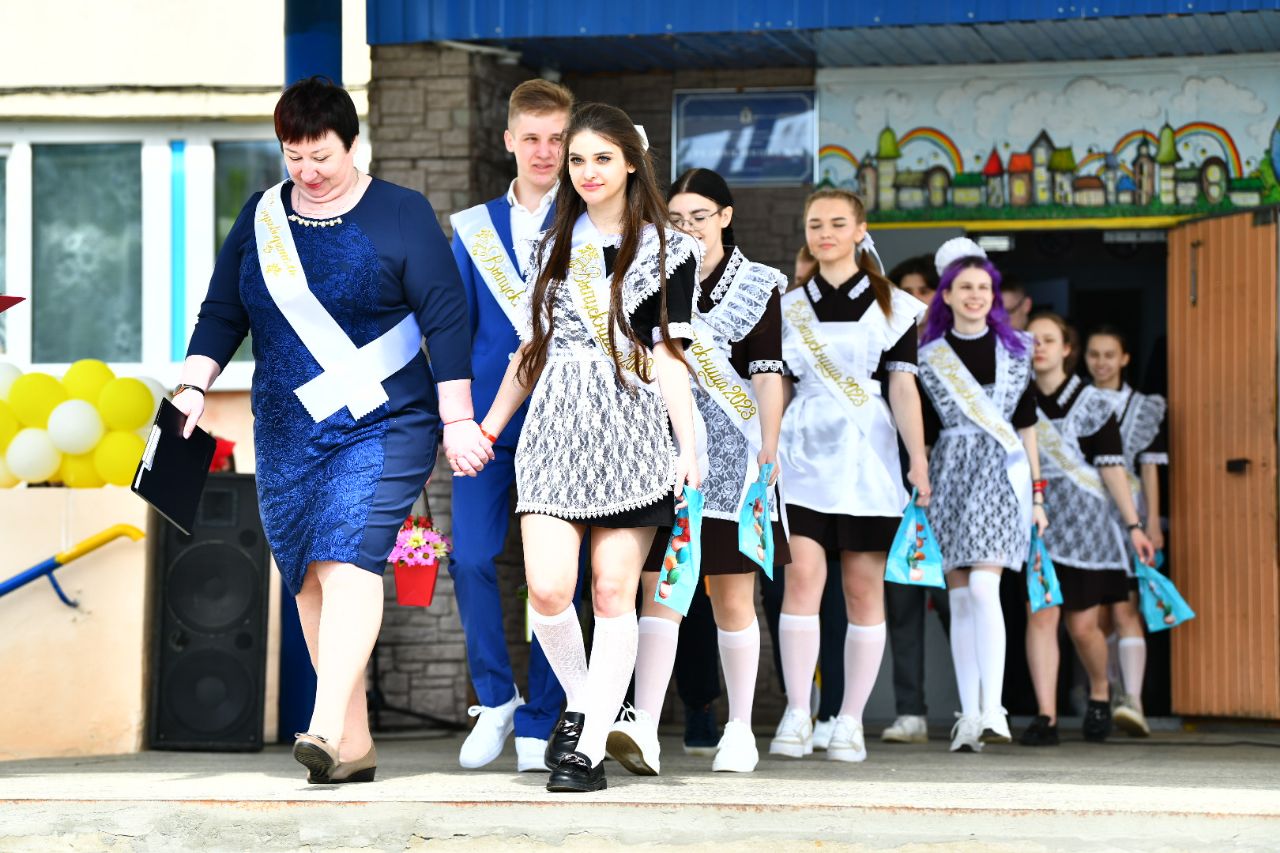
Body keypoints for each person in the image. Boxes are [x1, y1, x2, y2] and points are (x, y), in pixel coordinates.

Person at [177, 77, 490, 784]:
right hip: (287, 428)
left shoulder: (400, 211)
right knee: (310, 579)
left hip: (384, 422)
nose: (307, 172)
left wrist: (458, 417)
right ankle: (353, 744)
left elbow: (446, 317)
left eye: (321, 156)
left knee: (348, 559)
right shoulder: (262, 217)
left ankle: (319, 723)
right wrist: (194, 384)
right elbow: (223, 310)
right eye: (293, 156)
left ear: (353, 144)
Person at [479, 104, 700, 793]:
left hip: (632, 430)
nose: (587, 171)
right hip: (554, 428)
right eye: (577, 160)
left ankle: (587, 748)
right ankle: (588, 704)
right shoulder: (549, 245)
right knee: (548, 588)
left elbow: (670, 356)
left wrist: (688, 446)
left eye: (602, 158)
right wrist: (489, 428)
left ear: (631, 163)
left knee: (610, 589)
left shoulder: (669, 250)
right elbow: (530, 351)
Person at [607, 168, 789, 775]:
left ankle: (740, 728)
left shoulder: (758, 285)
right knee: (660, 588)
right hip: (663, 452)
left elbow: (767, 372)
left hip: (734, 456)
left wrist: (769, 443)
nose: (687, 228)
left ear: (725, 217)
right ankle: (645, 726)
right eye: (676, 219)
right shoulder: (651, 274)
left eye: (699, 217)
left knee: (733, 595)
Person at [771, 188, 930, 763]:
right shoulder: (786, 306)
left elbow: (903, 387)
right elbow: (777, 384)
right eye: (816, 224)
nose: (826, 233)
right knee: (801, 583)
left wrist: (918, 459)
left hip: (867, 458)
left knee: (863, 591)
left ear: (861, 230)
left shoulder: (895, 306)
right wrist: (766, 448)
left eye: (838, 223)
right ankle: (798, 711)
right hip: (802, 455)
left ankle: (850, 720)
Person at [447, 78, 575, 773]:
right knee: (470, 555)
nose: (545, 151)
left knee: (551, 577)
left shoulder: (589, 221)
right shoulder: (473, 229)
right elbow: (454, 330)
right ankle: (496, 697)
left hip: (566, 421)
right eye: (532, 138)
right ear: (509, 141)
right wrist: (457, 419)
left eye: (557, 139)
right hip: (487, 426)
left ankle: (543, 717)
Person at [917, 238, 1049, 752]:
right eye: (965, 287)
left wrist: (1037, 496)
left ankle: (993, 708)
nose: (975, 295)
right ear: (947, 295)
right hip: (948, 474)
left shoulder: (1017, 351)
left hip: (1002, 473)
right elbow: (923, 430)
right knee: (959, 599)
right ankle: (969, 715)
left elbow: (1027, 426)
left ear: (994, 297)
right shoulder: (927, 357)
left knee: (983, 588)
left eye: (984, 288)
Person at [1024, 313, 1155, 745]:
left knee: (1082, 626)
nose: (1039, 347)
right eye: (1031, 340)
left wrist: (1134, 526)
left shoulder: (1093, 402)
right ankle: (1046, 716)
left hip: (1087, 529)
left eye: (1049, 340)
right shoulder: (1016, 397)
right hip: (1038, 524)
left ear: (1066, 349)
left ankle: (1101, 690)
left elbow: (1113, 468)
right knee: (1041, 615)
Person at [878, 251, 947, 744]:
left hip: (953, 492)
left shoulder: (954, 350)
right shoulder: (882, 348)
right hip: (895, 487)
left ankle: (983, 708)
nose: (916, 300)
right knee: (901, 600)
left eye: (925, 290)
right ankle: (910, 712)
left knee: (958, 603)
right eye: (906, 291)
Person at [1085, 326, 1167, 737]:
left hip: (1129, 516)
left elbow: (1150, 467)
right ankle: (1107, 692)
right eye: (1094, 355)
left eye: (1109, 355)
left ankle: (1133, 700)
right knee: (1096, 614)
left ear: (1124, 359)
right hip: (1087, 514)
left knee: (1126, 609)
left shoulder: (1144, 407)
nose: (1101, 363)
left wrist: (1152, 522)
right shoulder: (1077, 400)